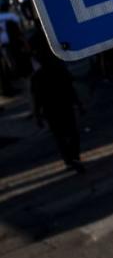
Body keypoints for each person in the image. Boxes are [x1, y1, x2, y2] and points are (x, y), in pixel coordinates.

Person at [30, 34, 85, 173]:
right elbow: (71, 89)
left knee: (60, 136)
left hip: (51, 110)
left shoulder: (37, 77)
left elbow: (36, 99)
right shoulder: (58, 70)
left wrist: (37, 115)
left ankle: (69, 159)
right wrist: (79, 104)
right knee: (71, 133)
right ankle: (74, 156)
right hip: (64, 106)